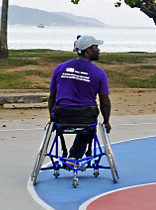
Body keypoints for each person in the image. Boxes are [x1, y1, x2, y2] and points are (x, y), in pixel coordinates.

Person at [48, 35, 111, 165]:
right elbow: (105, 102)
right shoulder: (99, 73)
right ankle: (74, 156)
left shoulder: (60, 68)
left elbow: (52, 97)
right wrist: (106, 121)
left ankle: (73, 156)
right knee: (88, 126)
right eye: (96, 47)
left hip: (62, 115)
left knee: (84, 121)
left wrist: (52, 118)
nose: (99, 50)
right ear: (89, 50)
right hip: (86, 117)